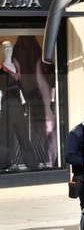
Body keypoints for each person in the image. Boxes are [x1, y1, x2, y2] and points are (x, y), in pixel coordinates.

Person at [0, 40, 40, 171]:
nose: (8, 51)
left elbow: (20, 87)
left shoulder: (16, 68)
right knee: (7, 134)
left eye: (10, 48)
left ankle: (32, 163)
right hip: (6, 103)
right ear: (2, 51)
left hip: (17, 103)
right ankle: (3, 162)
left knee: (23, 133)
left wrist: (23, 103)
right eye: (6, 49)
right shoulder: (1, 69)